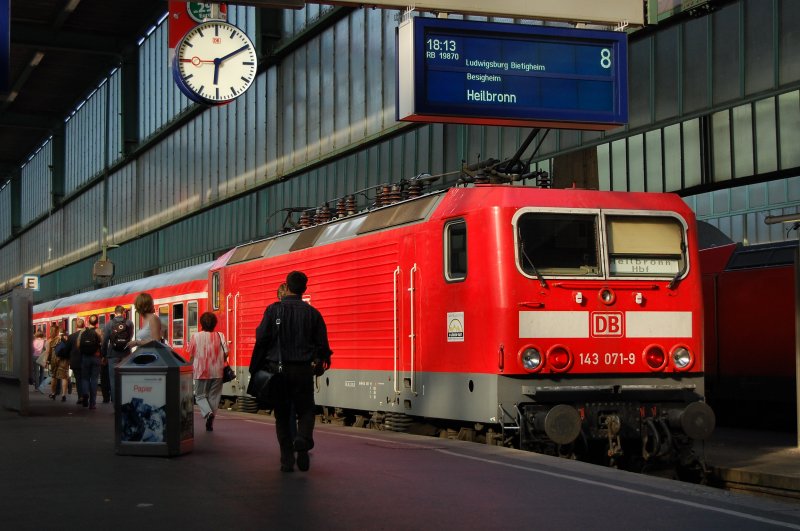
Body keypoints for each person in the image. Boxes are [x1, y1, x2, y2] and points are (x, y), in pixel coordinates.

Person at [251, 271, 332, 473]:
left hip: (278, 371)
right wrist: (320, 361)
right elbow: (322, 345)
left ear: (286, 287)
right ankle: (303, 439)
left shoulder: (273, 310)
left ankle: (287, 461)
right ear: (304, 289)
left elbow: (261, 339)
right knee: (306, 410)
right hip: (303, 370)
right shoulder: (313, 314)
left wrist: (257, 365)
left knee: (282, 415)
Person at [186, 312, 228, 432]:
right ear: (215, 324)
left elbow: (191, 354)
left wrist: (189, 366)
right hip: (217, 372)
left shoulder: (195, 336)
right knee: (214, 397)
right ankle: (210, 422)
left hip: (201, 371)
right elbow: (226, 353)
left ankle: (208, 413)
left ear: (201, 323)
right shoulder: (220, 335)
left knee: (200, 396)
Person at [101, 305, 133, 403]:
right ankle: (125, 401)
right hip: (126, 354)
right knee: (126, 379)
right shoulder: (129, 323)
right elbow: (130, 337)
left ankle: (116, 404)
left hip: (113, 354)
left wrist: (104, 355)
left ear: (115, 313)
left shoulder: (109, 324)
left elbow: (105, 341)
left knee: (113, 380)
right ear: (123, 313)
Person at [79, 315, 104, 409]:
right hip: (96, 357)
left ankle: (85, 393)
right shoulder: (99, 331)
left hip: (85, 357)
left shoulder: (83, 331)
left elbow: (78, 345)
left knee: (85, 378)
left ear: (88, 322)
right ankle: (92, 403)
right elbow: (102, 343)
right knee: (94, 379)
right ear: (97, 322)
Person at [46, 325, 69, 402]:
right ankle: (63, 395)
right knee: (64, 377)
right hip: (63, 359)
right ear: (57, 331)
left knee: (54, 377)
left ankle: (53, 394)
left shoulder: (50, 341)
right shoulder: (63, 338)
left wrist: (46, 361)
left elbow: (48, 352)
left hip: (54, 360)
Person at [67, 318, 85, 405]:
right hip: (86, 360)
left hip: (75, 361)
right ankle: (86, 396)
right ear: (84, 325)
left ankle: (80, 397)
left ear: (76, 326)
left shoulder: (71, 336)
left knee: (78, 380)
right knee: (86, 379)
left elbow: (67, 349)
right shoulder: (88, 335)